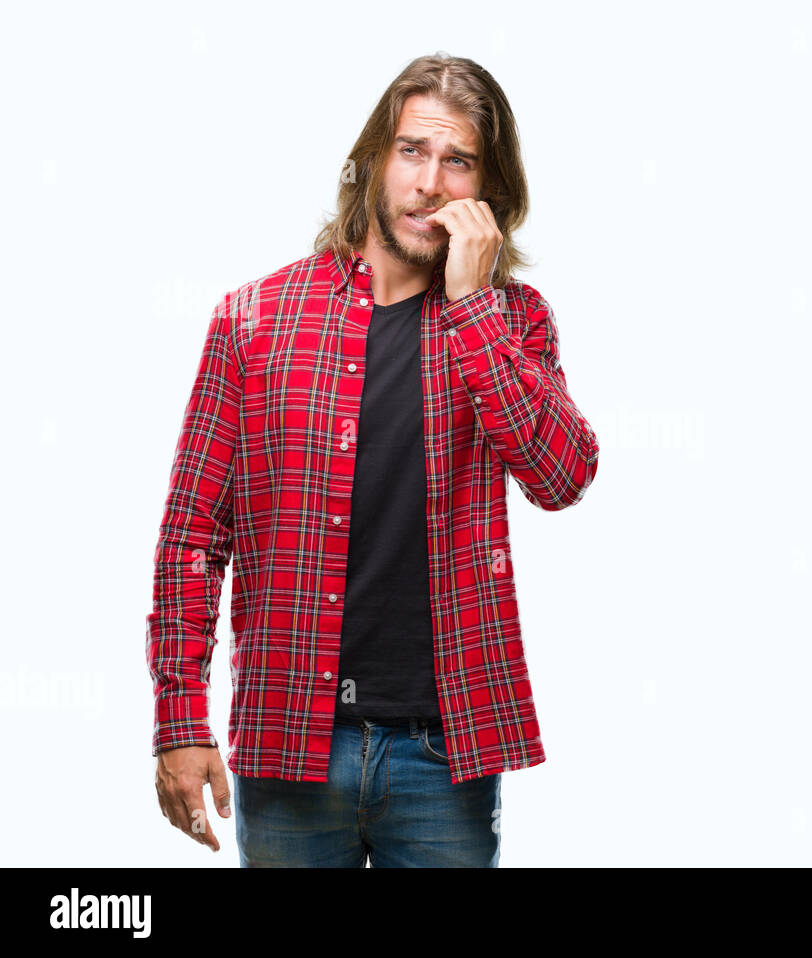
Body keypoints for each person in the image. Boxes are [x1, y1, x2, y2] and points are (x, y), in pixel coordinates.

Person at [146, 52, 599, 867]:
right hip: (291, 746)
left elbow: (562, 476)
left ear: (487, 192)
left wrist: (472, 309)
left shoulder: (513, 320)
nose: (429, 183)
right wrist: (180, 720)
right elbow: (191, 537)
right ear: (372, 163)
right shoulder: (255, 321)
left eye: (457, 160)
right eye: (412, 152)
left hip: (445, 754)